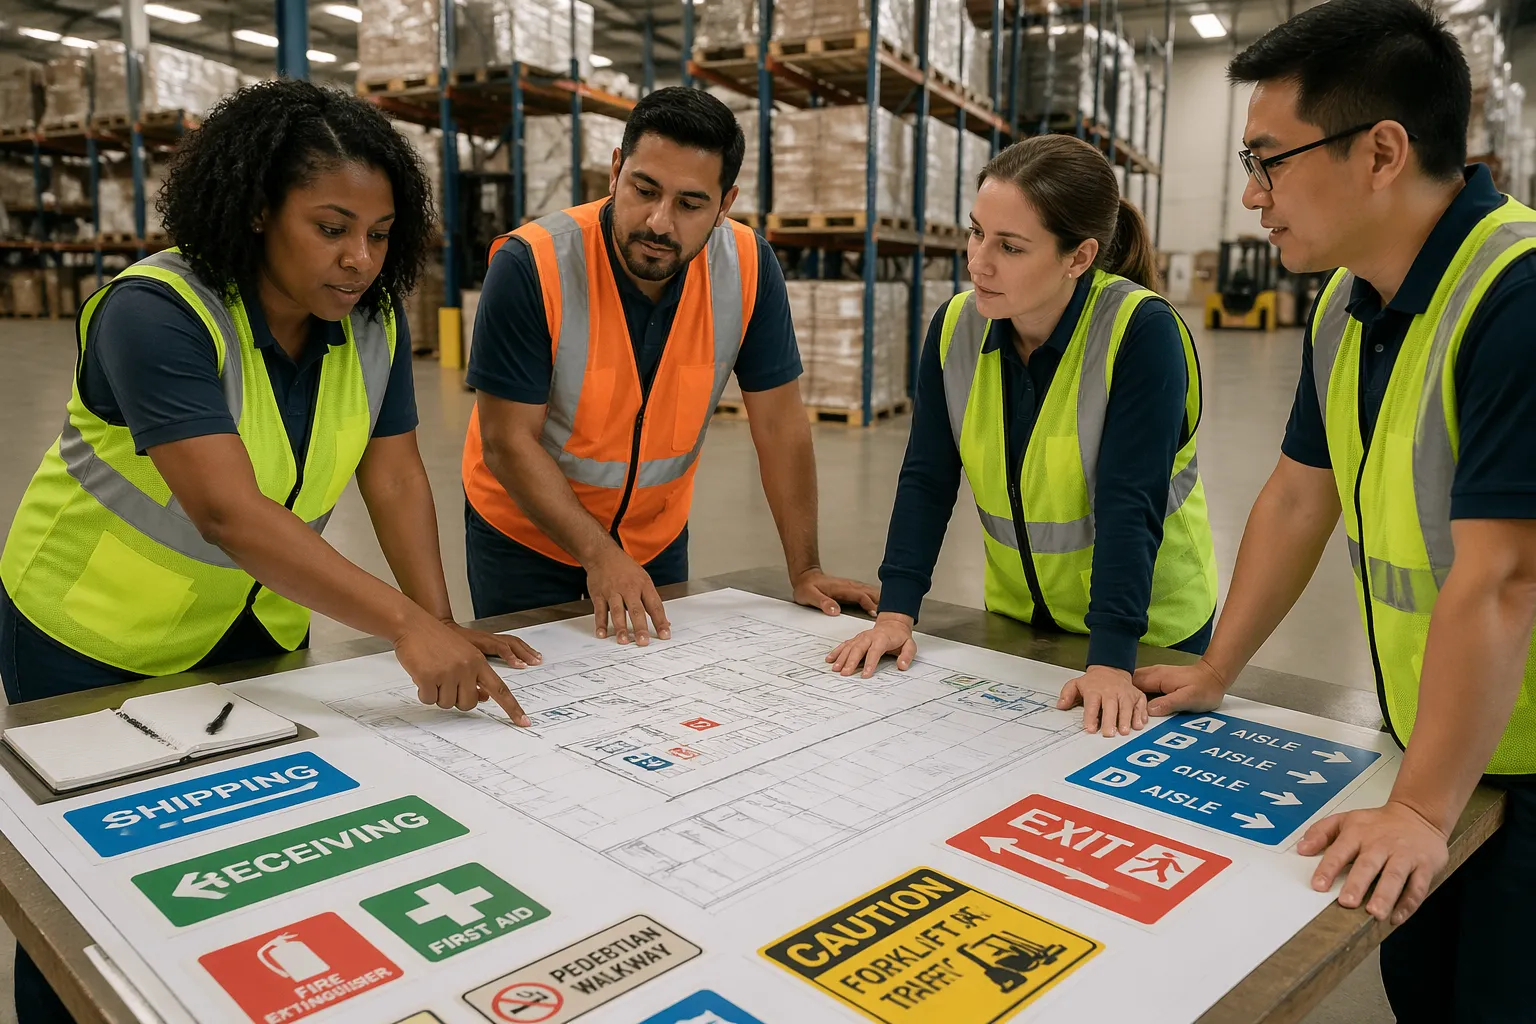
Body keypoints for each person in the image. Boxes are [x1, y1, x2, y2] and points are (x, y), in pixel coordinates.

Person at [0, 81, 542, 1020]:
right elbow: (227, 513)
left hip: (250, 629)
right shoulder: (159, 312)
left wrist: (443, 619)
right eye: (332, 227)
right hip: (87, 631)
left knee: (229, 865)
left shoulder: (366, 320)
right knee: (89, 885)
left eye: (378, 234)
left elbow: (397, 475)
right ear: (256, 210)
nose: (359, 258)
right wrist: (406, 627)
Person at [1133, 2, 1536, 1020]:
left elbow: (1505, 574)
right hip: (1447, 744)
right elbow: (1297, 494)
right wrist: (1218, 665)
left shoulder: (1518, 300)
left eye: (1270, 160)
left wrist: (1418, 806)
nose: (1250, 194)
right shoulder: (1348, 303)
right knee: (1424, 988)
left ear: (1382, 152)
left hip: (1518, 767)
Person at [826, 134, 1217, 736]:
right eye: (977, 232)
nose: (978, 261)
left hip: (1146, 638)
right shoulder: (956, 326)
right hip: (1020, 623)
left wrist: (1112, 659)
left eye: (1010, 246)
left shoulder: (1141, 333)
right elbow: (927, 478)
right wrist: (897, 613)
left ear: (1079, 257)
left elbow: (1129, 503)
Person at [462, 86, 877, 643]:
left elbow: (780, 425)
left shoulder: (748, 267)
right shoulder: (532, 264)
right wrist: (599, 555)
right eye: (644, 189)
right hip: (523, 538)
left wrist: (805, 569)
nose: (659, 222)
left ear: (724, 204)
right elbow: (507, 441)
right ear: (616, 171)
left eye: (689, 204)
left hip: (653, 540)